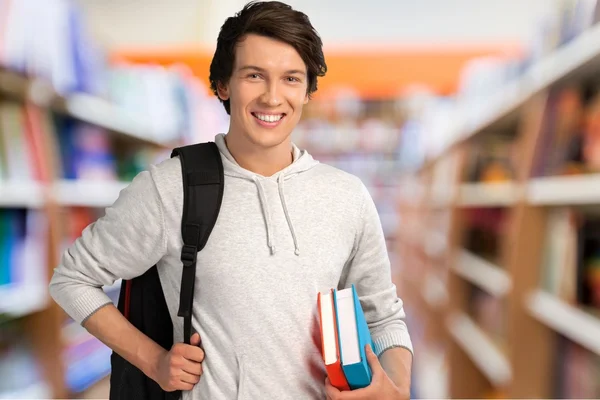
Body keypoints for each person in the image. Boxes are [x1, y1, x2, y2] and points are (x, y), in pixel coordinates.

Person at [49, 1, 413, 399]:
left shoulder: (347, 196)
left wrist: (394, 391)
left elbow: (383, 317)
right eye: (255, 75)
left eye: (291, 78)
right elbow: (73, 278)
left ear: (308, 90)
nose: (273, 97)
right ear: (224, 84)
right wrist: (155, 362)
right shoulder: (172, 188)